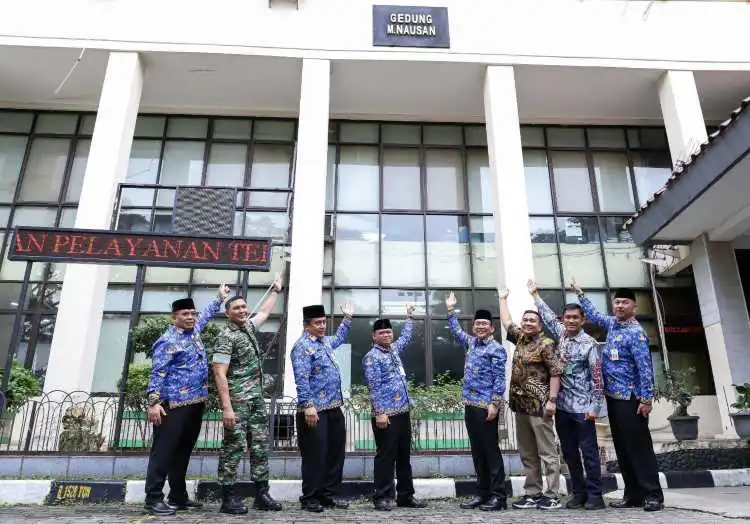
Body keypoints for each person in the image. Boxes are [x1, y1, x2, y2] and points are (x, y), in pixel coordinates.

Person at [570, 279, 664, 512]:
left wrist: (646, 399)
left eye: (625, 302)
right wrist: (580, 293)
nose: (620, 306)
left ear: (634, 306)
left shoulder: (636, 333)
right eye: (617, 302)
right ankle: (632, 494)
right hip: (613, 398)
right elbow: (594, 314)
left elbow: (645, 368)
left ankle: (653, 495)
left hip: (631, 400)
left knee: (639, 448)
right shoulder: (612, 324)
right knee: (622, 448)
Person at [143, 284, 229, 516]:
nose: (191, 318)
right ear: (174, 317)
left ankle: (178, 496)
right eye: (185, 314)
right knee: (164, 452)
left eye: (193, 314)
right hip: (173, 406)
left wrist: (219, 299)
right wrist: (153, 403)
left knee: (183, 452)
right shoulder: (167, 341)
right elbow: (157, 373)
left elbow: (207, 316)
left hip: (195, 403)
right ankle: (153, 498)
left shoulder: (195, 332)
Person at [527, 279, 605, 510]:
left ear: (582, 320)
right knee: (569, 453)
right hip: (562, 407)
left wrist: (595, 407)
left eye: (575, 318)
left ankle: (595, 495)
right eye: (567, 318)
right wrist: (535, 295)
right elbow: (548, 317)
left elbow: (598, 378)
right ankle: (578, 493)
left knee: (589, 453)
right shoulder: (561, 334)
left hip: (583, 409)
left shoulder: (589, 344)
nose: (570, 321)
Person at [211, 275, 284, 514]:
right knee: (233, 447)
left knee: (260, 447)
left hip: (255, 401)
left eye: (244, 306)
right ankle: (228, 498)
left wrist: (275, 291)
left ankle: (261, 494)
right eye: (236, 308)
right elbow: (220, 374)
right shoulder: (226, 336)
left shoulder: (249, 327)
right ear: (227, 313)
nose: (242, 310)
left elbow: (263, 313)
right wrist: (227, 408)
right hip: (238, 402)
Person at [499, 288, 564, 510]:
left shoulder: (546, 344)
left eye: (532, 320)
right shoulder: (520, 338)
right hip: (520, 407)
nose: (527, 323)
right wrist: (503, 298)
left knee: (547, 452)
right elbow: (506, 321)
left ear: (540, 324)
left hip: (540, 407)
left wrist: (552, 400)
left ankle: (552, 494)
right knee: (527, 453)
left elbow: (556, 372)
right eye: (525, 319)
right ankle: (532, 492)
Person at [444, 293, 508, 512]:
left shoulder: (496, 349)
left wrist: (495, 404)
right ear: (474, 327)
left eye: (485, 324)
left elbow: (500, 379)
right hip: (470, 405)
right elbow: (455, 331)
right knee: (477, 452)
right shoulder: (472, 343)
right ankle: (482, 493)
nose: (480, 326)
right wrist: (451, 311)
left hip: (486, 407)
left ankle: (498, 496)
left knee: (490, 451)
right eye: (477, 323)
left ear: (492, 328)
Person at [290, 302, 355, 513]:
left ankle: (329, 495)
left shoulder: (325, 342)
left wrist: (347, 319)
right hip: (313, 411)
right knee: (315, 456)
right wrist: (308, 406)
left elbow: (339, 338)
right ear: (306, 325)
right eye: (317, 323)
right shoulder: (301, 347)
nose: (322, 326)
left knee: (335, 455)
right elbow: (302, 379)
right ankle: (310, 497)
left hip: (334, 407)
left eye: (324, 322)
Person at [363, 305, 426, 512]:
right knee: (385, 457)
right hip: (386, 416)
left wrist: (409, 318)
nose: (386, 335)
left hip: (402, 412)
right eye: (382, 332)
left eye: (389, 332)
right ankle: (382, 496)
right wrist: (380, 412)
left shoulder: (393, 350)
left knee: (403, 457)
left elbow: (406, 338)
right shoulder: (372, 357)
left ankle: (406, 496)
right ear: (374, 336)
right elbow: (374, 387)